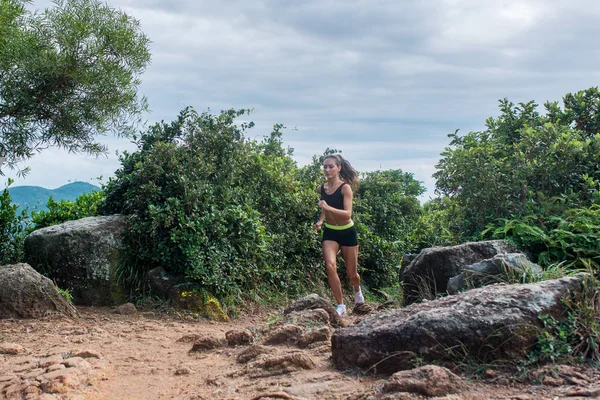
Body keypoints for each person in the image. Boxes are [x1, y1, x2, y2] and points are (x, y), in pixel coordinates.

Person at [313, 154, 364, 316]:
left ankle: (357, 291)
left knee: (352, 274)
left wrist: (327, 209)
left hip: (347, 232)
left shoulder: (345, 188)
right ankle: (340, 305)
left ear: (339, 168)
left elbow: (347, 214)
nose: (327, 170)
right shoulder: (321, 189)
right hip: (330, 232)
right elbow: (325, 209)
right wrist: (321, 221)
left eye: (331, 166)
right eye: (325, 167)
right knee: (329, 265)